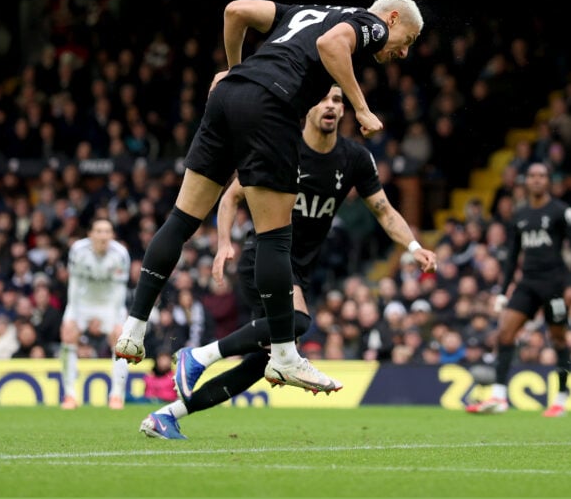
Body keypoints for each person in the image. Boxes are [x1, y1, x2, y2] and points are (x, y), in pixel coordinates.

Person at [114, 0, 423, 395]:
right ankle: (284, 356)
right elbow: (332, 45)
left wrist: (233, 68)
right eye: (409, 38)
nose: (403, 50)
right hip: (271, 106)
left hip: (227, 97)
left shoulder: (304, 12)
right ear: (393, 18)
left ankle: (133, 329)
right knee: (275, 236)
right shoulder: (372, 24)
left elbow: (234, 11)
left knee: (181, 220)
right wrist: (362, 108)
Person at [140, 85, 437, 439]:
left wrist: (414, 246)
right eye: (323, 98)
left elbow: (385, 211)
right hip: (263, 256)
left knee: (261, 363)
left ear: (344, 111)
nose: (330, 105)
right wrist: (223, 244)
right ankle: (200, 356)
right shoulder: (281, 146)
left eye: (337, 100)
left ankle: (167, 416)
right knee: (295, 322)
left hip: (298, 268)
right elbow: (231, 195)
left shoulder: (355, 159)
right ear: (307, 108)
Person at [466, 161, 571, 417]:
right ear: (526, 181)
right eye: (532, 176)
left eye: (542, 175)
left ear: (548, 180)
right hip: (528, 283)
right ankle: (499, 396)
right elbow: (512, 256)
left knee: (559, 339)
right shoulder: (519, 214)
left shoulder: (561, 211)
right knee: (505, 333)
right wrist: (502, 290)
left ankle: (561, 399)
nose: (537, 179)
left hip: (554, 284)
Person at [60, 218, 132, 409]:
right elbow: (73, 285)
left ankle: (116, 395)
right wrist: (74, 315)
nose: (103, 236)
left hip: (109, 304)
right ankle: (70, 395)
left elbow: (120, 290)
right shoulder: (78, 250)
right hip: (82, 303)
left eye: (107, 232)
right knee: (68, 334)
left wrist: (116, 319)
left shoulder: (120, 254)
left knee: (120, 341)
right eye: (99, 231)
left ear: (112, 235)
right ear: (90, 234)